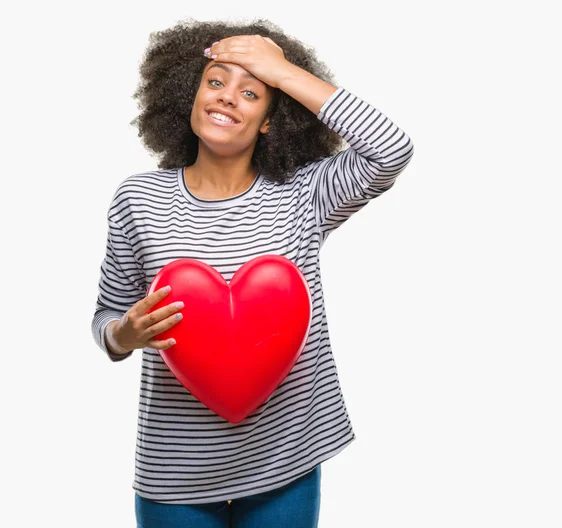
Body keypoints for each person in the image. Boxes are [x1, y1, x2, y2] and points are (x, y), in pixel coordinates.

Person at [91, 18, 414, 528]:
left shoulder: (304, 195)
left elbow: (391, 149)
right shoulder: (139, 198)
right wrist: (123, 335)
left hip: (285, 459)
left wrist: (282, 71)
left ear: (271, 120)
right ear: (188, 96)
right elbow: (107, 315)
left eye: (251, 92)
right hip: (175, 469)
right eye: (215, 81)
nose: (226, 98)